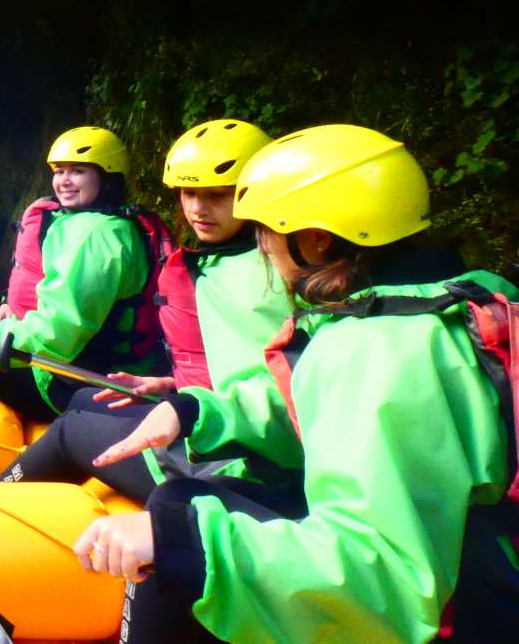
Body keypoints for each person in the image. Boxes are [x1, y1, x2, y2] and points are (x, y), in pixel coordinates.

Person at [73, 124, 519, 643]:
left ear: (316, 239)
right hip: (479, 551)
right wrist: (200, 411)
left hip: (463, 604)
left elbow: (380, 571)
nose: (261, 247)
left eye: (265, 230)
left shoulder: (374, 351)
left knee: (179, 527)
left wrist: (188, 545)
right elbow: (316, 399)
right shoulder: (459, 296)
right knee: (179, 501)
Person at [0, 120, 295, 502]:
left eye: (217, 195)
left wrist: (191, 408)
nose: (196, 209)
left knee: (71, 430)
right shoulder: (229, 263)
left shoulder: (276, 277)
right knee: (85, 401)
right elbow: (244, 369)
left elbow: (287, 391)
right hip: (222, 423)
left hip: (246, 465)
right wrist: (171, 385)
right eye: (187, 193)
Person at [0, 126, 171, 420]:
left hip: (74, 382)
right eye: (59, 171)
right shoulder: (100, 221)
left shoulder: (97, 235)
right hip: (80, 361)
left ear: (107, 177)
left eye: (78, 171)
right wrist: (9, 302)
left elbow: (62, 331)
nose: (64, 181)